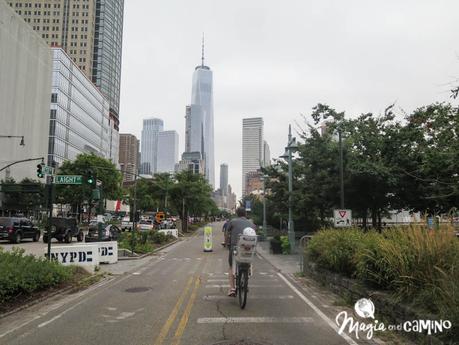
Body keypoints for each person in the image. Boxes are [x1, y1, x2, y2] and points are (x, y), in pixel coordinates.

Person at [226, 207, 255, 297]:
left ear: (237, 214)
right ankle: (246, 281)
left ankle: (232, 289)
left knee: (231, 267)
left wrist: (227, 242)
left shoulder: (233, 221)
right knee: (248, 261)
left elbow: (227, 233)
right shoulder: (251, 223)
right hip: (248, 248)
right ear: (245, 214)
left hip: (235, 247)